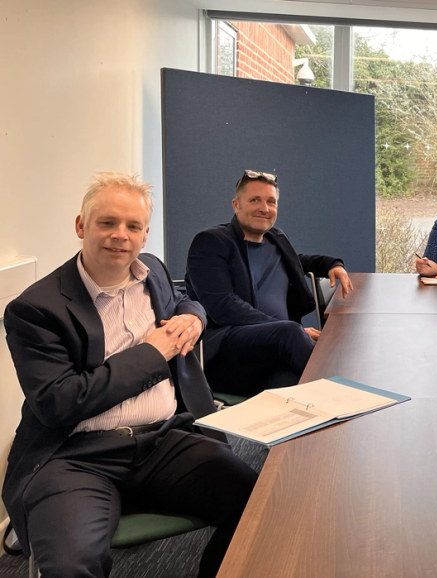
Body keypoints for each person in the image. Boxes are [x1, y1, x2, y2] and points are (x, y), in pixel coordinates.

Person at [2, 172, 257, 578]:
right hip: (75, 456)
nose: (120, 235)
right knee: (71, 565)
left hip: (161, 440)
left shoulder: (151, 270)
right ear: (81, 226)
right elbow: (59, 402)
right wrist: (153, 353)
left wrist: (192, 317)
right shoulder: (34, 310)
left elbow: (183, 299)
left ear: (144, 235)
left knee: (260, 509)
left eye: (133, 226)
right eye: (107, 223)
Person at [185, 170, 354, 395]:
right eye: (255, 200)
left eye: (271, 202)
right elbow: (223, 306)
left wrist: (332, 264)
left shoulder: (276, 239)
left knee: (294, 386)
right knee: (292, 334)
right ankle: (347, 396)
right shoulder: (211, 243)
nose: (264, 208)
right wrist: (289, 330)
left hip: (276, 357)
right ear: (236, 205)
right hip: (231, 356)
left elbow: (298, 262)